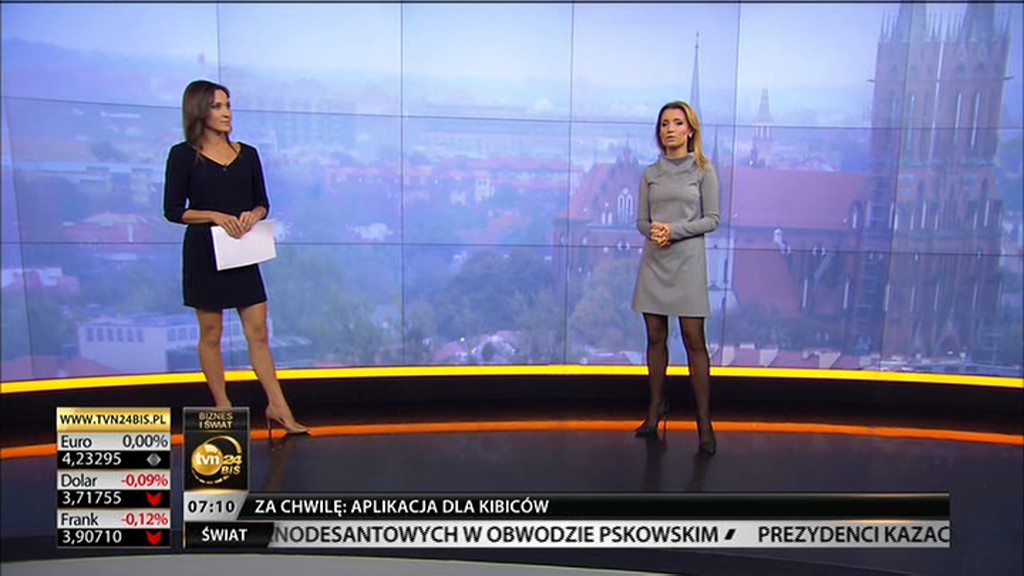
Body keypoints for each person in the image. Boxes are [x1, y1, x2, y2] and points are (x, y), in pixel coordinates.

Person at [163, 80, 308, 435]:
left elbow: (262, 202)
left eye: (228, 105)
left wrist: (254, 215)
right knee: (211, 333)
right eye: (217, 106)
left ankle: (278, 406)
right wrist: (213, 215)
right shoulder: (183, 155)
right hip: (205, 252)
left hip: (243, 250)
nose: (226, 112)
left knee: (258, 332)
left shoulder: (249, 154)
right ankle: (223, 406)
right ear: (199, 110)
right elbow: (173, 210)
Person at [631, 101, 720, 454]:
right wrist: (653, 231)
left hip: (687, 264)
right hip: (655, 261)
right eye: (664, 123)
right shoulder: (649, 174)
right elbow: (641, 221)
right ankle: (655, 409)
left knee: (693, 339)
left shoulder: (704, 171)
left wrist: (674, 231)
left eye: (677, 123)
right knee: (655, 337)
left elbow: (712, 219)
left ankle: (704, 421)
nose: (670, 129)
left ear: (690, 130)